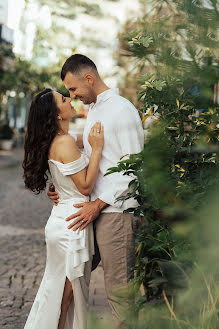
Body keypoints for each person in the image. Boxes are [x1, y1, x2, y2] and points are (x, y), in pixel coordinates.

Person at [48, 54, 144, 326]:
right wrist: (62, 186)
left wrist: (97, 204)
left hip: (115, 213)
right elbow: (92, 161)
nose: (73, 96)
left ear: (89, 79)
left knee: (120, 294)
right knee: (71, 281)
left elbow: (133, 167)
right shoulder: (96, 110)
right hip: (90, 211)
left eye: (73, 89)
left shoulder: (121, 110)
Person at [23, 88, 104, 329]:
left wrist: (56, 186)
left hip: (63, 218)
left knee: (58, 289)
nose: (70, 99)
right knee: (65, 297)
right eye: (63, 99)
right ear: (56, 114)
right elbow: (86, 186)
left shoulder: (62, 139)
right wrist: (97, 148)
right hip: (72, 223)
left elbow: (66, 172)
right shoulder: (65, 142)